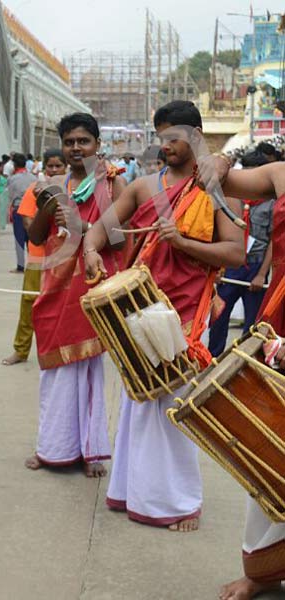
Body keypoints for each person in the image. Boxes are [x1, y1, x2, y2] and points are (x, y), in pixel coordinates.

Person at [83, 100, 245, 532]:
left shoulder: (217, 188)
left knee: (174, 404)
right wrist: (90, 252)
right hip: (142, 307)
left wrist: (184, 243)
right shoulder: (143, 186)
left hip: (188, 311)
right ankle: (132, 490)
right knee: (140, 397)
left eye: (174, 137)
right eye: (161, 138)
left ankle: (177, 502)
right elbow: (100, 230)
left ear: (195, 136)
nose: (166, 146)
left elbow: (235, 252)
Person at [22, 115, 125, 476]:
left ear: (97, 144)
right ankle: (51, 447)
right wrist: (50, 206)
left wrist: (82, 228)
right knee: (53, 373)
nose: (76, 148)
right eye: (70, 142)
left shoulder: (113, 184)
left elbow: (121, 239)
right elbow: (35, 237)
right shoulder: (52, 184)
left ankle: (92, 452)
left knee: (88, 373)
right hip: (55, 287)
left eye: (84, 141)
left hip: (92, 289)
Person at [209, 139, 285, 600]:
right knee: (269, 441)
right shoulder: (279, 172)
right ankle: (264, 570)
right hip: (280, 320)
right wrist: (225, 157)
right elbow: (221, 180)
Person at [1, 149, 66, 367]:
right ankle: (21, 350)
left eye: (59, 166)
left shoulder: (74, 190)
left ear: (65, 167)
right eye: (50, 166)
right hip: (38, 259)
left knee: (61, 306)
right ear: (43, 168)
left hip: (65, 261)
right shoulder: (33, 190)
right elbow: (30, 227)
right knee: (29, 304)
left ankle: (58, 350)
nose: (54, 170)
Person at [207, 151, 272, 357]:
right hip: (231, 270)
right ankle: (212, 358)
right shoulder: (230, 197)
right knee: (218, 315)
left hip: (255, 266)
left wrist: (261, 274)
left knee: (253, 324)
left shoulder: (271, 202)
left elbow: (274, 241)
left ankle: (244, 363)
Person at [7, 153, 36, 272]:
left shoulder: (12, 179)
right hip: (32, 209)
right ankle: (33, 262)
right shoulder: (33, 178)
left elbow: (11, 197)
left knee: (19, 238)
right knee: (31, 237)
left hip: (18, 209)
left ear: (14, 165)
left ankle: (20, 265)